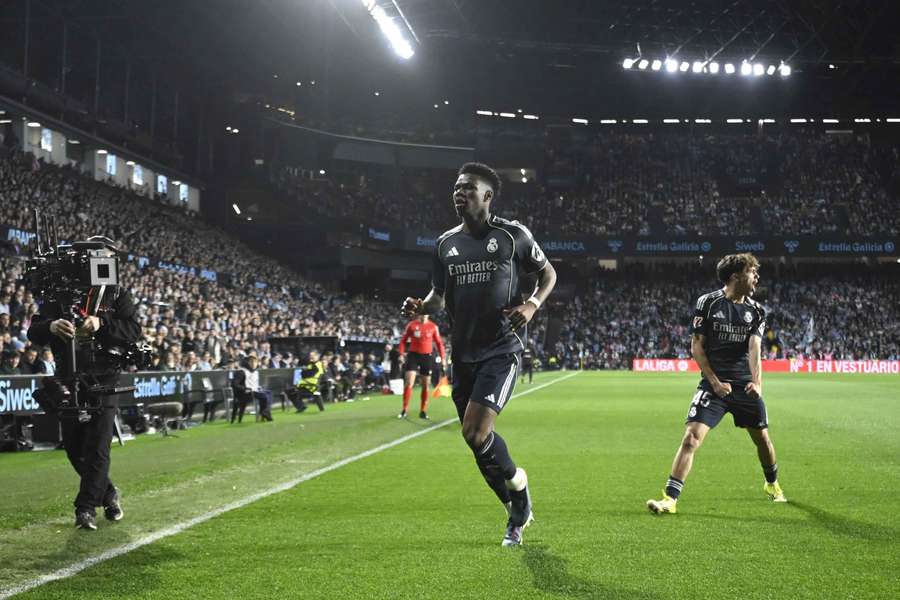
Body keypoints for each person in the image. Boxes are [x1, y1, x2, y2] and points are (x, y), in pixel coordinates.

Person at [402, 162, 557, 546]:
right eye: (457, 187)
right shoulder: (445, 244)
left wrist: (532, 304)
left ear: (488, 196)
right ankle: (515, 509)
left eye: (469, 187)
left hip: (501, 348)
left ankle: (519, 491)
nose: (460, 192)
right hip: (464, 354)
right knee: (475, 443)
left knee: (476, 431)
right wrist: (421, 307)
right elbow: (438, 298)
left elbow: (548, 274)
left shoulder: (512, 235)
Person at [647, 253, 786, 515]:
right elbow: (697, 346)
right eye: (752, 272)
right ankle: (670, 499)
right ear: (735, 276)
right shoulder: (708, 302)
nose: (756, 277)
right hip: (713, 385)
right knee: (690, 438)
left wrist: (757, 384)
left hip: (744, 386)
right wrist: (715, 382)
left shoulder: (757, 311)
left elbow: (755, 348)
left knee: (763, 440)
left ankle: (772, 483)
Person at [27, 236, 141, 531]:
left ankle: (85, 508)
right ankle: (108, 493)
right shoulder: (60, 293)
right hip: (69, 373)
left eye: (110, 258)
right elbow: (33, 331)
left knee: (98, 444)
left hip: (105, 375)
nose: (106, 263)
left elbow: (133, 330)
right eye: (101, 256)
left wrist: (102, 324)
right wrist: (51, 325)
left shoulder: (118, 294)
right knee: (73, 445)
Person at [397, 314, 446, 419]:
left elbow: (439, 343)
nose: (423, 315)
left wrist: (443, 358)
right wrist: (401, 354)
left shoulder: (433, 326)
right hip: (413, 356)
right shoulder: (411, 325)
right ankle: (404, 409)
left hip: (427, 357)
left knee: (425, 385)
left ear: (428, 314)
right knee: (409, 382)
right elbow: (403, 341)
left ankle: (423, 411)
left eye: (425, 313)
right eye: (422, 313)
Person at [231, 354, 272, 423]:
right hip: (243, 394)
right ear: (247, 362)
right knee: (264, 396)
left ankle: (264, 412)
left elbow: (254, 384)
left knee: (269, 393)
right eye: (251, 361)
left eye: (255, 362)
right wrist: (245, 388)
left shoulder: (255, 372)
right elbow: (234, 384)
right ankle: (264, 414)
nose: (253, 364)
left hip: (253, 392)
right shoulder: (241, 372)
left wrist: (258, 387)